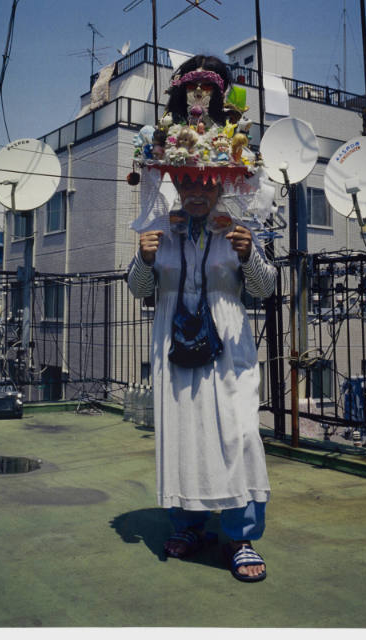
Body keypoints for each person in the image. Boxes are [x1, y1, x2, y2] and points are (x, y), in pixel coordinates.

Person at [127, 55, 277, 583]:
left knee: (237, 434)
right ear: (175, 183)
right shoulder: (158, 233)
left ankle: (240, 535)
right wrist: (143, 262)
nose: (196, 193)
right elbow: (140, 291)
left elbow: (264, 290)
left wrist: (248, 256)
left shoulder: (237, 232)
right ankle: (189, 523)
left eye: (206, 184)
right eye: (187, 183)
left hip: (229, 355)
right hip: (174, 351)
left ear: (221, 184)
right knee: (183, 433)